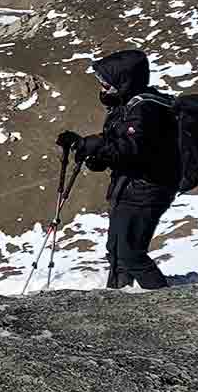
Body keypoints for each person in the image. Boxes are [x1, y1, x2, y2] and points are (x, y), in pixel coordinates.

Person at [55, 49, 180, 290]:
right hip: (132, 185)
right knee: (116, 251)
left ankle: (166, 303)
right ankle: (117, 295)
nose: (102, 88)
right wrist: (96, 155)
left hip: (147, 189)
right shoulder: (125, 106)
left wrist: (90, 145)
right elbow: (120, 146)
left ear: (124, 82)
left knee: (131, 254)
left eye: (106, 83)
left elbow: (131, 148)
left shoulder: (144, 109)